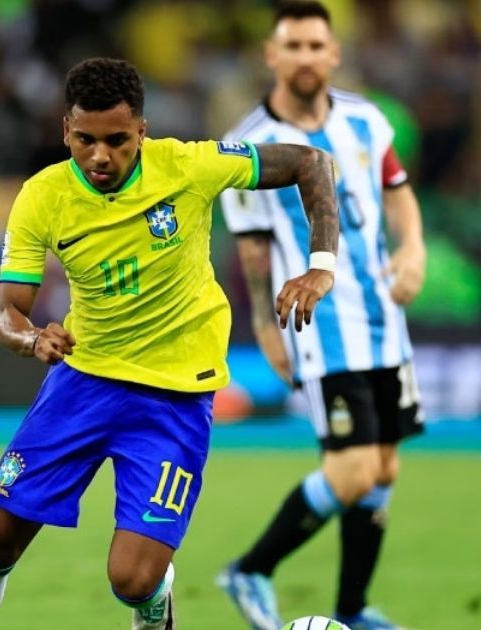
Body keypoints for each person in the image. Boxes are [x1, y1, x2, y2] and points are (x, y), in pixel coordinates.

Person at [0, 57, 341, 630]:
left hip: (174, 397)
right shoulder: (43, 196)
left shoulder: (187, 166)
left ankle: (156, 599)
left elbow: (312, 162)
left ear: (142, 131)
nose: (100, 156)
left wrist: (321, 266)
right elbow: (8, 314)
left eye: (117, 140)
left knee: (133, 579)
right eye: (85, 140)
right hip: (83, 381)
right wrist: (31, 340)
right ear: (65, 130)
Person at [215, 3, 425, 629]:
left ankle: (352, 609)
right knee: (353, 469)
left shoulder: (366, 120)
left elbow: (398, 192)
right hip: (320, 327)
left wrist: (412, 248)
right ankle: (251, 568)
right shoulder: (250, 143)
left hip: (384, 319)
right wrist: (263, 326)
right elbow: (253, 247)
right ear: (271, 56)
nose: (305, 57)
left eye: (315, 45)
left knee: (383, 466)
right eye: (293, 45)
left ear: (334, 54)